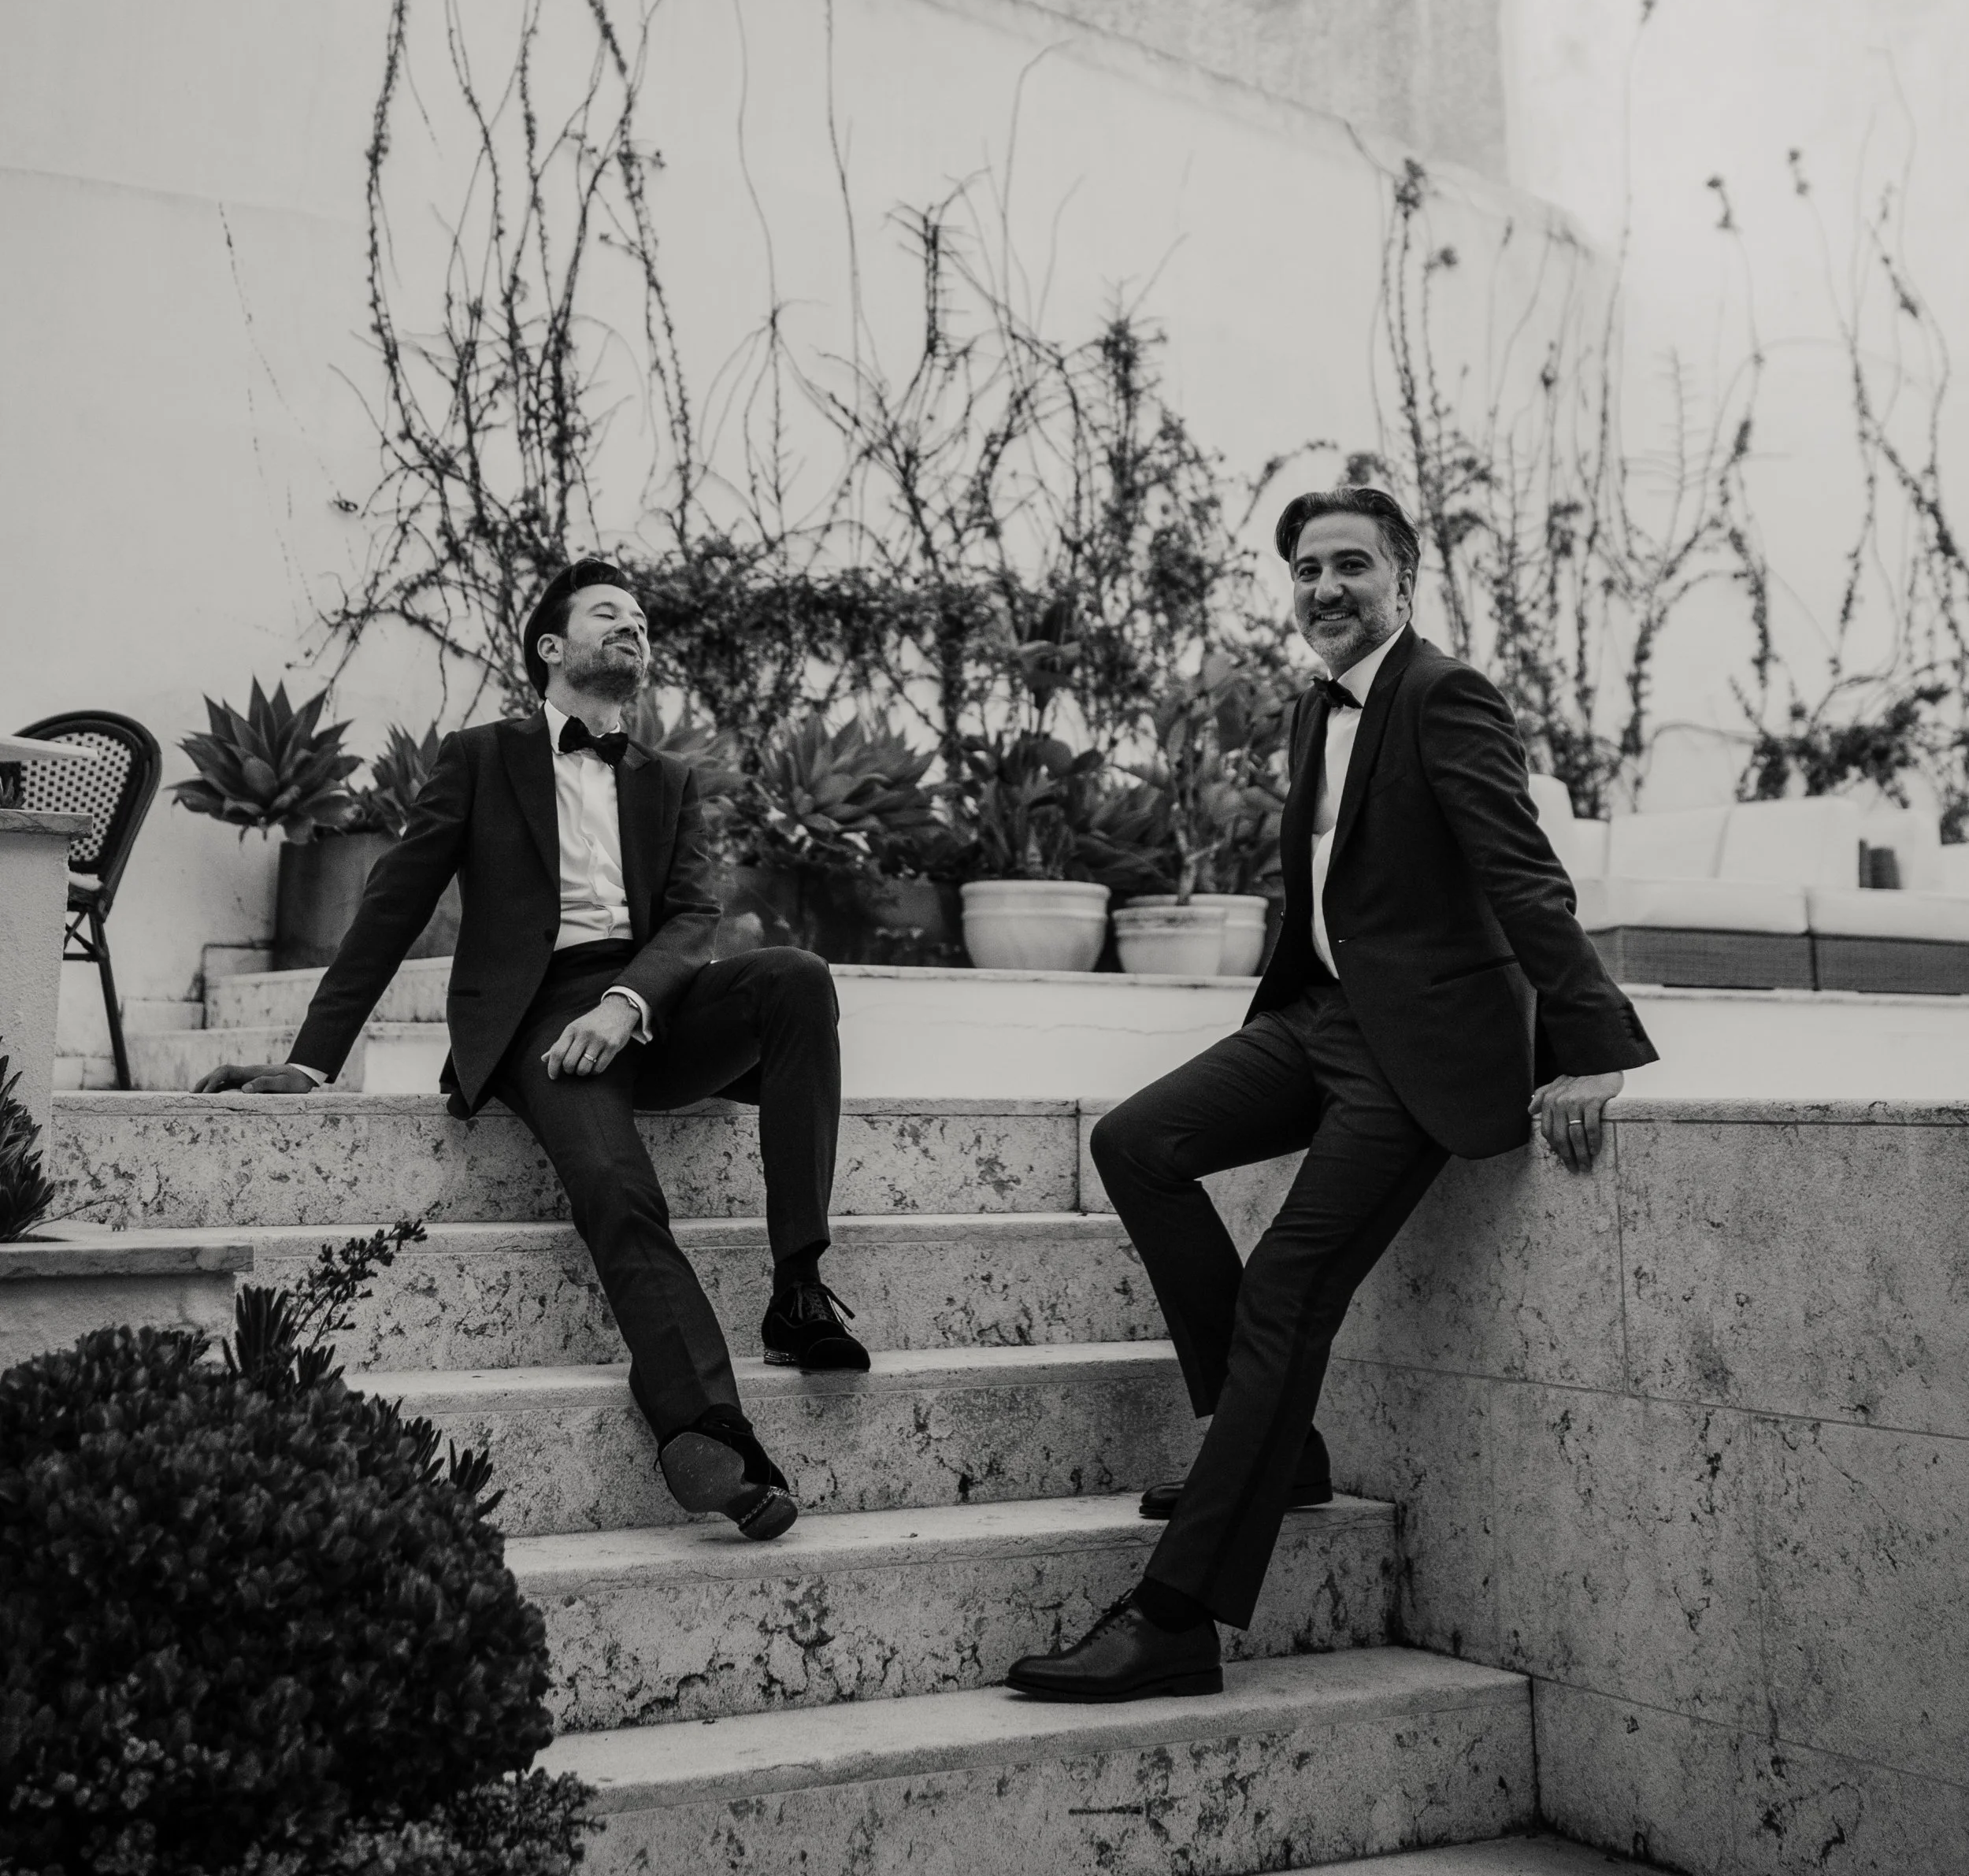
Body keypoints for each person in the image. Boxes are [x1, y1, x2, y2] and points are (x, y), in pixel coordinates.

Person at [1007, 484, 1658, 1701]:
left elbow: (1525, 876)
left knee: (1288, 1288)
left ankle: (1178, 1615)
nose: (1323, 589)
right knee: (1140, 1142)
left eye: (1349, 565)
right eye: (1306, 569)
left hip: (1421, 1052)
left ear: (1404, 577)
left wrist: (1597, 1041)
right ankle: (1279, 1446)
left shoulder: (1445, 694)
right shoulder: (1315, 708)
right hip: (1316, 1021)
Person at [198, 560, 868, 1542]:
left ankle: (799, 1287)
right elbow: (395, 906)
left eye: (641, 619)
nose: (633, 627)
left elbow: (691, 916)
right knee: (618, 1188)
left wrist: (631, 999)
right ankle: (710, 1430)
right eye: (610, 614)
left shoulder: (668, 780)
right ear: (551, 647)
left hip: (650, 1004)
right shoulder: (479, 757)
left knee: (796, 977)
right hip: (537, 1017)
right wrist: (311, 1059)